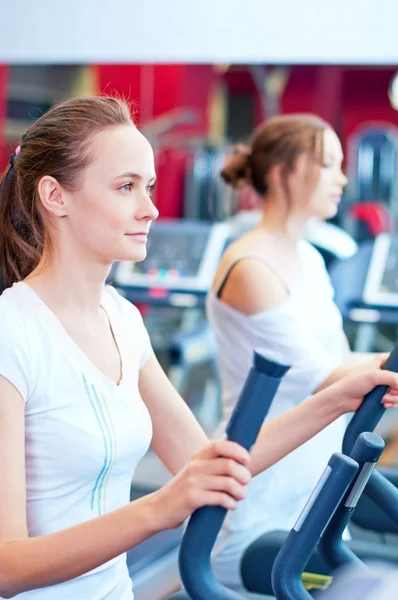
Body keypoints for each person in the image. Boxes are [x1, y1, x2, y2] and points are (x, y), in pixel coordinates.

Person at [0, 98, 397, 600]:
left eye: (147, 186)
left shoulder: (120, 317)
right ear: (56, 196)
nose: (151, 207)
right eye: (126, 187)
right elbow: (6, 565)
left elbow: (206, 459)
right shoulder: (12, 332)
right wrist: (160, 508)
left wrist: (339, 398)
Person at [206, 114, 393, 592]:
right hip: (255, 517)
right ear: (282, 172)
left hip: (316, 502)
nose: (343, 178)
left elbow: (350, 361)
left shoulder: (308, 258)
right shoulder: (250, 268)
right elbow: (327, 376)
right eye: (329, 164)